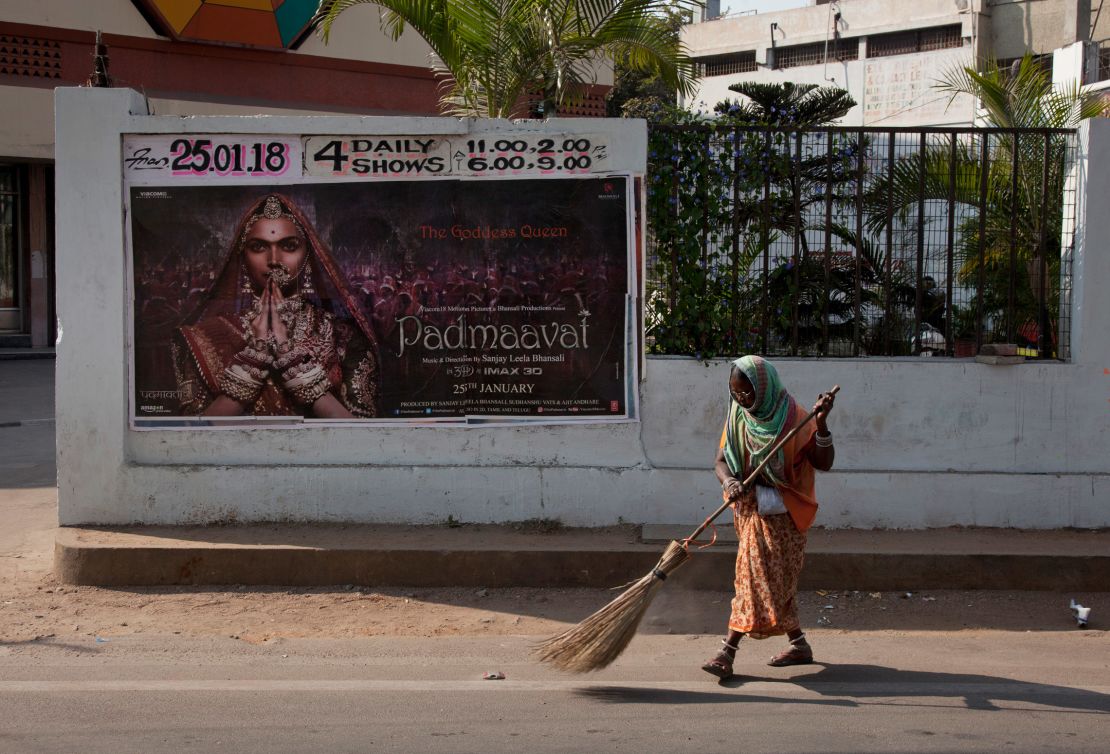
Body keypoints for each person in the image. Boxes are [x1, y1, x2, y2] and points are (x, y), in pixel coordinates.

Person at [172, 194, 380, 418]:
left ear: (308, 256)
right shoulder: (202, 337)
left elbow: (364, 433)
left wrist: (293, 364)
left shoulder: (343, 336)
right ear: (243, 257)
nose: (274, 259)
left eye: (289, 246)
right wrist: (252, 363)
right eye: (258, 246)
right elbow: (192, 437)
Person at [701, 355, 836, 680]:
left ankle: (726, 651)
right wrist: (730, 481)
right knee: (759, 581)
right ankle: (798, 644)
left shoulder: (796, 419)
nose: (742, 400)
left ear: (764, 387)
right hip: (750, 511)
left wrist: (820, 425)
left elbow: (824, 462)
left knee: (764, 582)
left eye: (747, 393)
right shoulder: (738, 417)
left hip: (784, 515)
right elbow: (720, 461)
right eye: (736, 393)